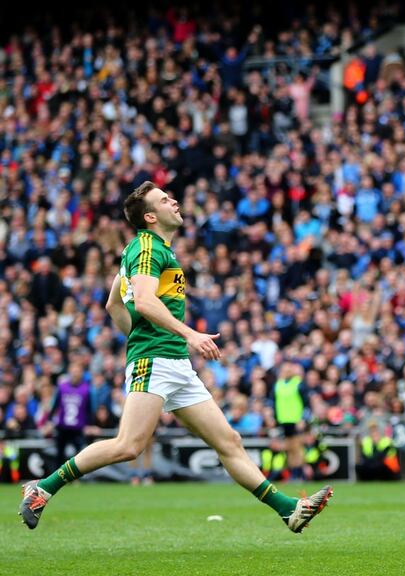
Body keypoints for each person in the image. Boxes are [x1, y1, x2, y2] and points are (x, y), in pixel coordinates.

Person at [18, 182, 332, 532]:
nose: (175, 201)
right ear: (150, 216)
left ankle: (288, 509)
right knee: (129, 446)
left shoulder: (146, 249)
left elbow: (114, 303)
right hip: (155, 361)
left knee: (229, 441)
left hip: (174, 362)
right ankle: (42, 488)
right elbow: (145, 301)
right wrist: (185, 335)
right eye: (165, 200)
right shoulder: (149, 247)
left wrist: (143, 336)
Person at [273, 361, 309, 481]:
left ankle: (299, 473)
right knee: (288, 448)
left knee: (297, 448)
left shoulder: (298, 384)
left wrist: (303, 418)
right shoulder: (278, 385)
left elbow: (306, 403)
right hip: (283, 421)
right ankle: (293, 473)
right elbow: (273, 402)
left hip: (296, 420)